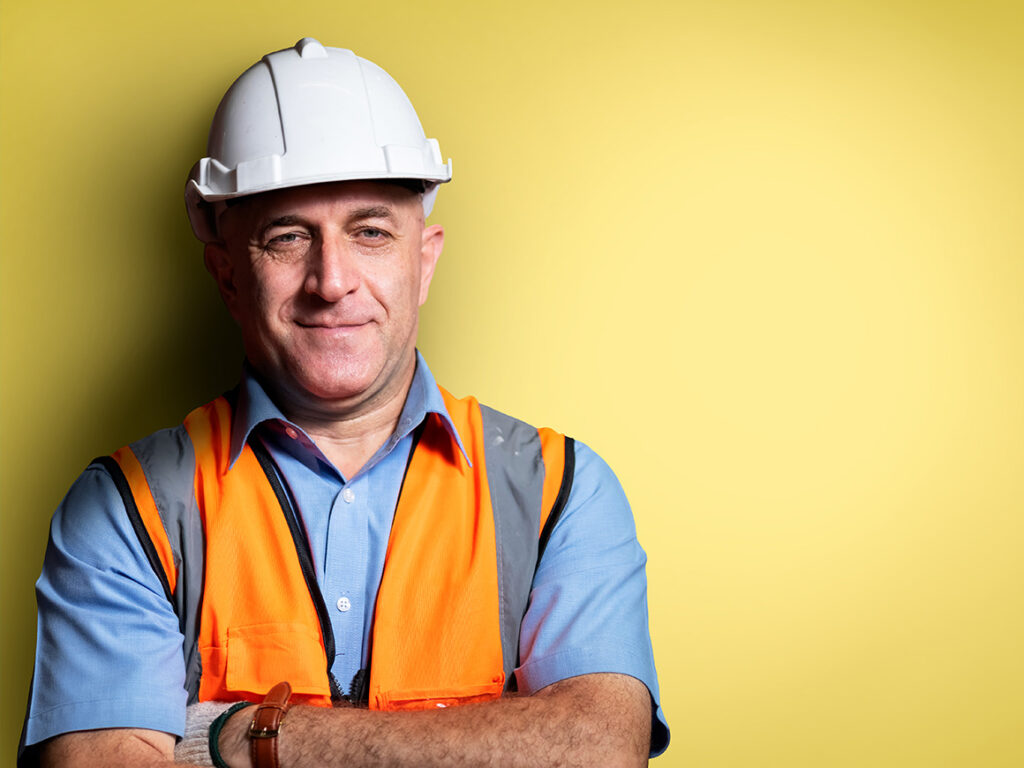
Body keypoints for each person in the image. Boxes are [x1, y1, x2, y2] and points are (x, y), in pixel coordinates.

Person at [19, 38, 669, 767]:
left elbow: (597, 749)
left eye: (369, 232)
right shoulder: (123, 510)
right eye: (288, 237)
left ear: (423, 262)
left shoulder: (559, 492)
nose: (332, 281)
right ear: (229, 276)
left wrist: (247, 735)